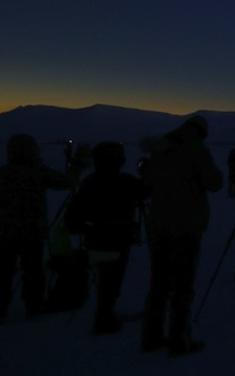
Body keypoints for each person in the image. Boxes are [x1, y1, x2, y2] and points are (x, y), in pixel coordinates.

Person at [139, 115, 223, 356]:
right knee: (183, 285)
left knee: (159, 283)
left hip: (159, 225)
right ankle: (179, 340)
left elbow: (148, 182)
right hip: (186, 225)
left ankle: (151, 336)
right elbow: (214, 182)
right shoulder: (197, 150)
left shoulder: (160, 149)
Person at [0, 134, 71, 322]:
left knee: (2, 271)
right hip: (33, 232)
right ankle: (33, 306)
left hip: (4, 232)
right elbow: (65, 183)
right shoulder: (38, 172)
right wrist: (77, 165)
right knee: (33, 270)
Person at [65, 141, 150, 334]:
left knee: (106, 277)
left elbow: (74, 214)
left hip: (94, 239)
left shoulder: (89, 182)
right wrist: (147, 173)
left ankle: (104, 312)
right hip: (119, 240)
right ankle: (104, 317)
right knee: (111, 280)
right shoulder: (127, 181)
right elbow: (147, 191)